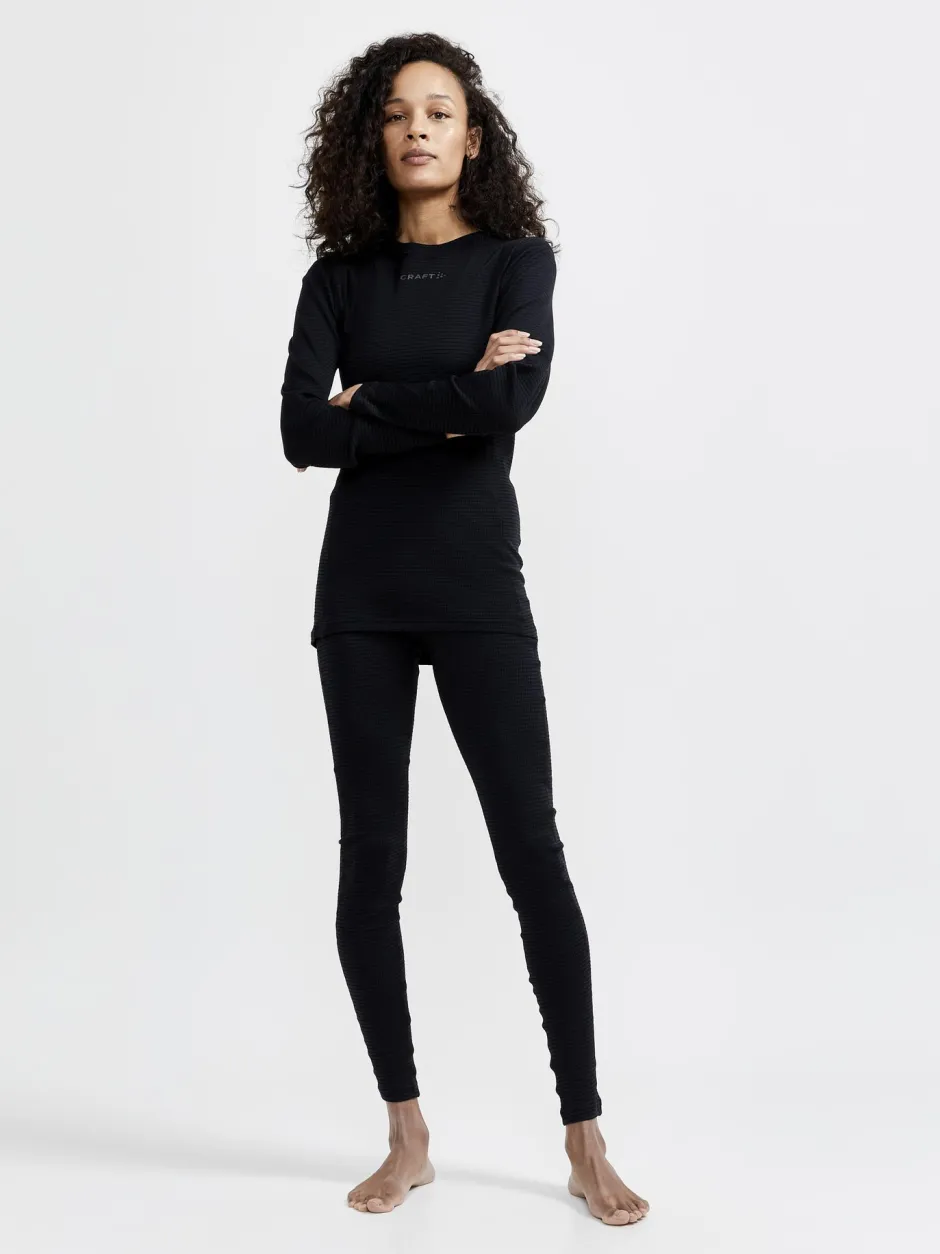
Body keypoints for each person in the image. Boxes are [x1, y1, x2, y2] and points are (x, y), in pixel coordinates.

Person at [279, 32, 650, 1227]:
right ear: (371, 139)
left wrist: (373, 401)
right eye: (396, 113)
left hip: (478, 588)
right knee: (369, 863)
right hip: (360, 599)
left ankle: (585, 1136)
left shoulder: (516, 261)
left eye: (439, 111)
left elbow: (512, 400)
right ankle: (406, 1132)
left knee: (530, 854)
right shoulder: (337, 280)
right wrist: (447, 405)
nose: (418, 129)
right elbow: (299, 432)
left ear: (473, 137)